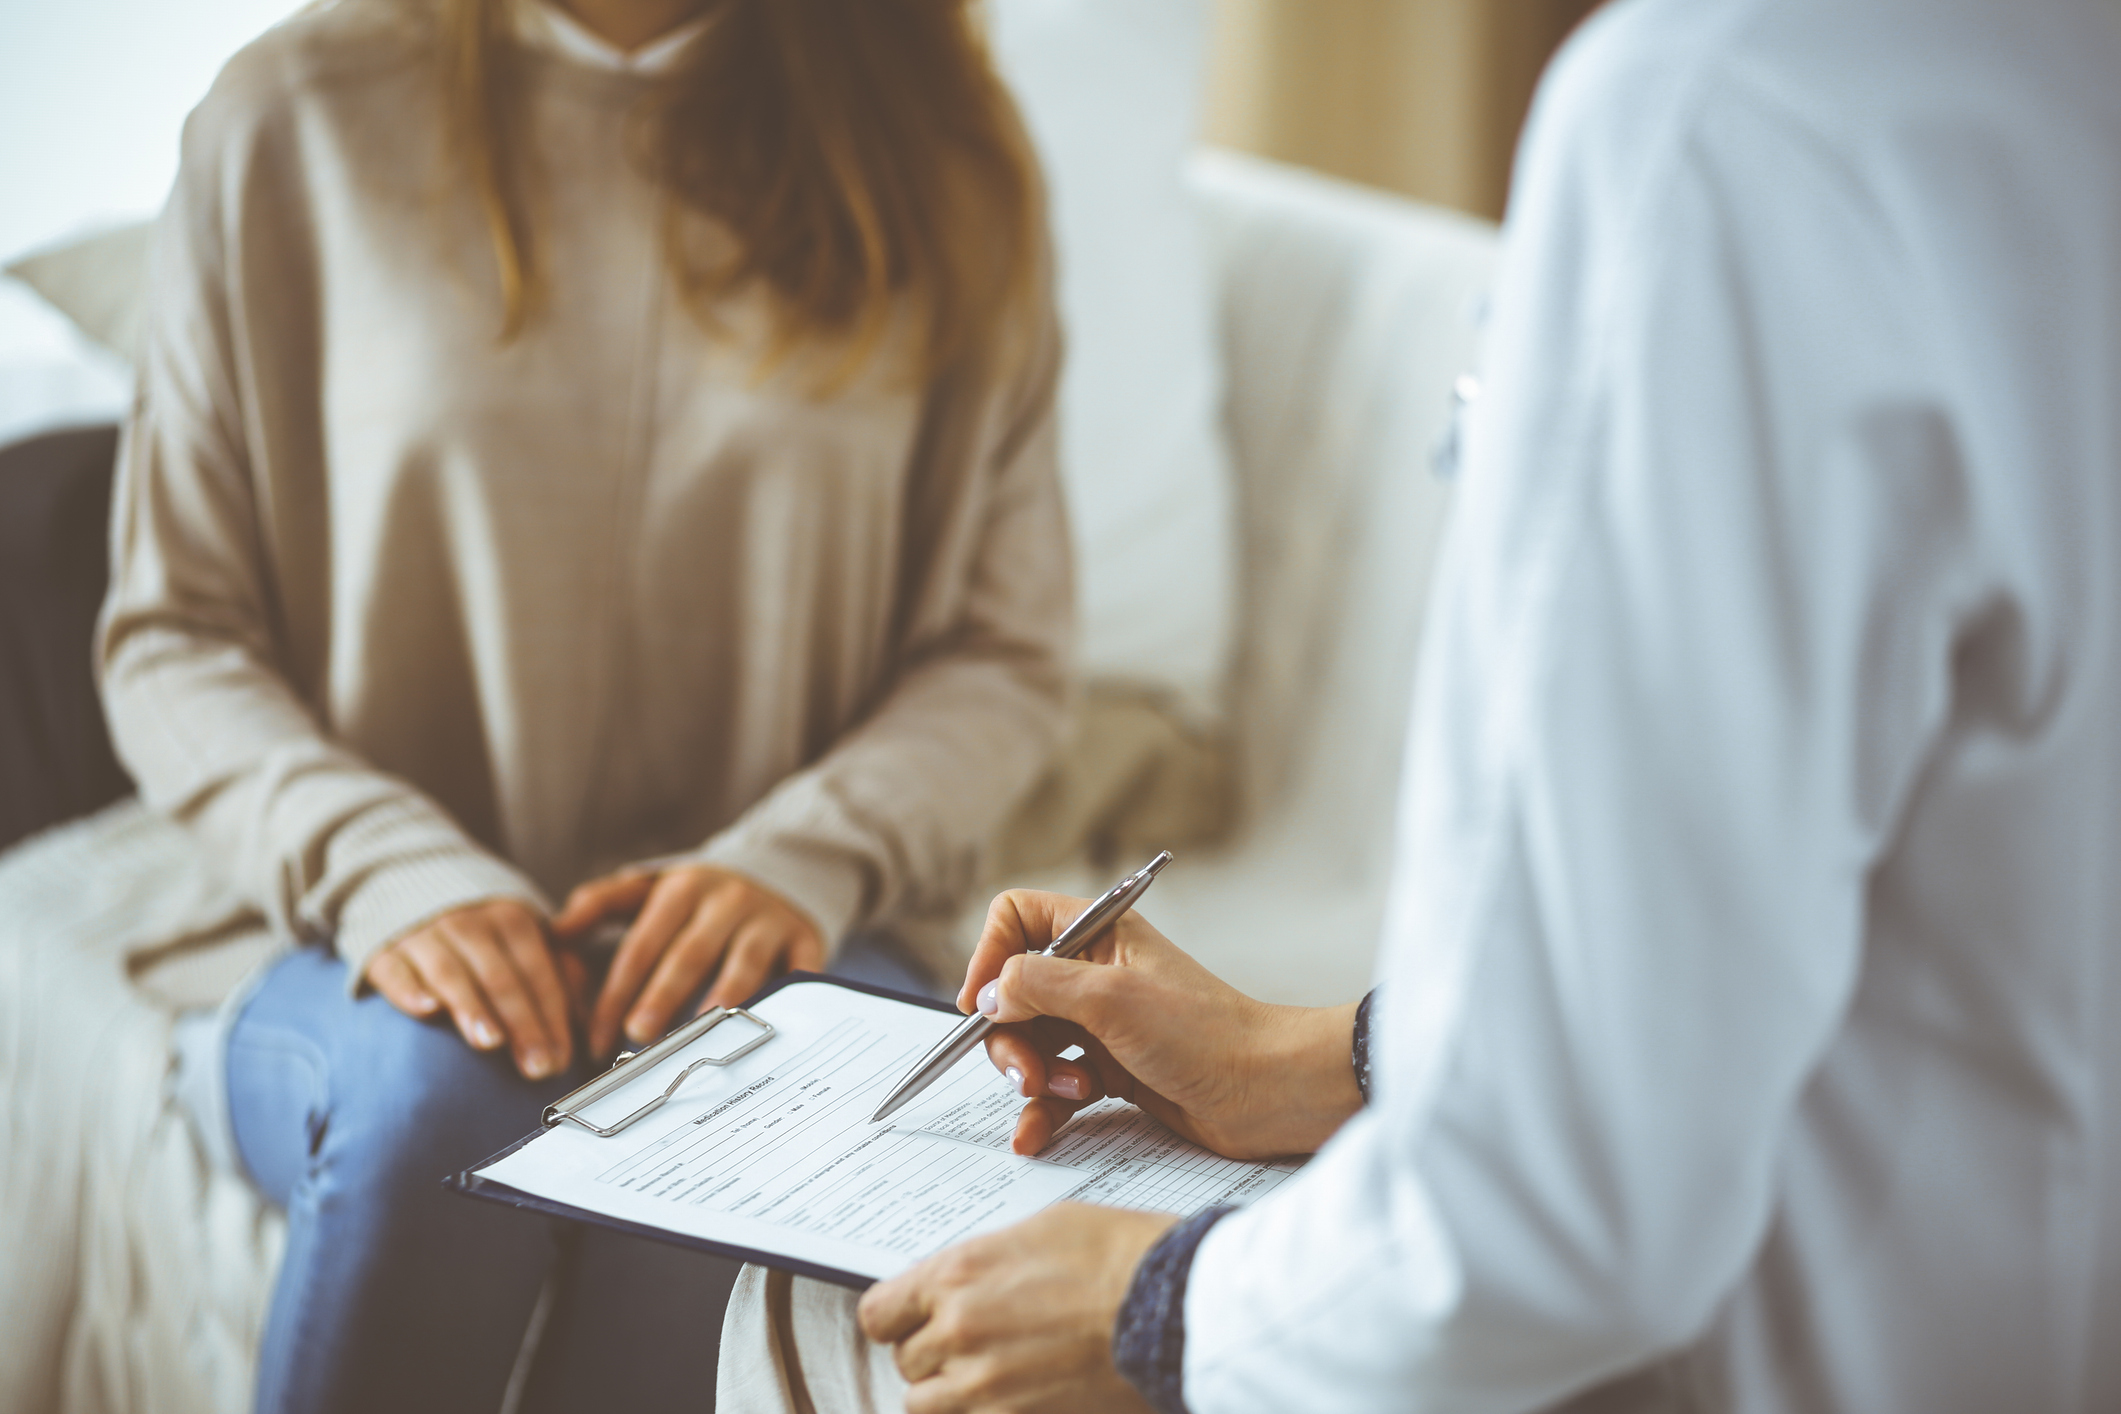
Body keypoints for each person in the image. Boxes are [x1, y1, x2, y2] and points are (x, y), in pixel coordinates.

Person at [734, 0, 2121, 1408]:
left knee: (836, 1321)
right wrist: (1309, 1055)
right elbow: (1841, 924)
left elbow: (1563, 1215)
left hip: (1804, 1355)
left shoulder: (1712, 129)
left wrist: (1157, 1308)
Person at [78, 0, 1068, 1410]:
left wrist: (802, 854)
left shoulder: (947, 154)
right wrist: (382, 868)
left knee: (743, 1147)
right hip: (345, 943)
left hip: (791, 936)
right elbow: (172, 633)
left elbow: (1000, 653)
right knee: (437, 1109)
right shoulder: (287, 119)